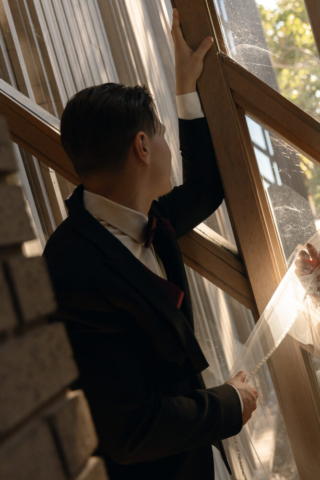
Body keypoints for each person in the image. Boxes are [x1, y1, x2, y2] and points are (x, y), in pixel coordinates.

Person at [43, 8, 258, 480]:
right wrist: (227, 404)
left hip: (202, 461)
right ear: (142, 147)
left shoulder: (149, 216)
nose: (165, 143)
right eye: (160, 133)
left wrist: (186, 88)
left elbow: (205, 186)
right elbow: (131, 430)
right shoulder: (69, 266)